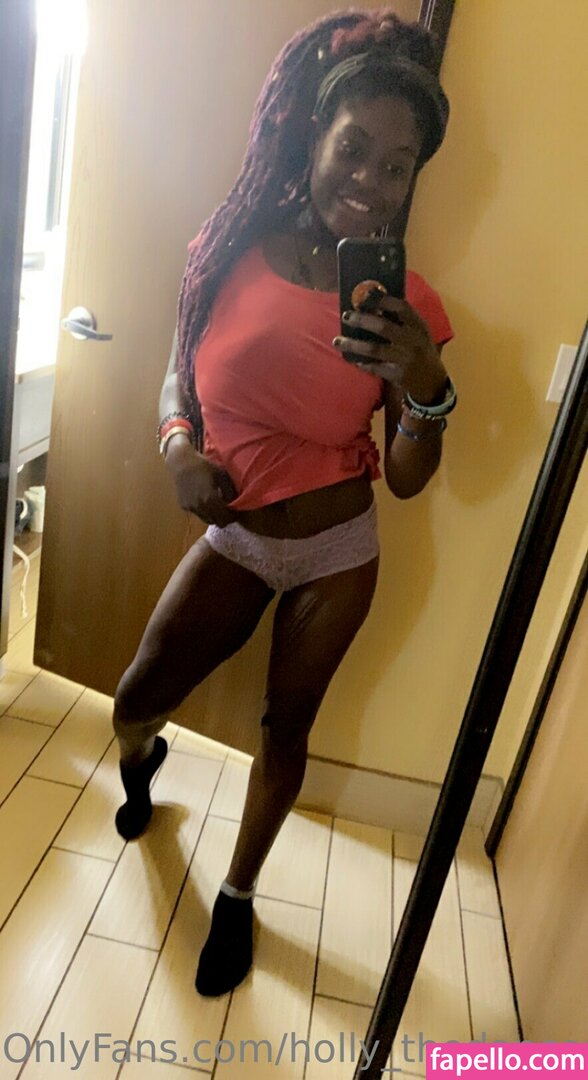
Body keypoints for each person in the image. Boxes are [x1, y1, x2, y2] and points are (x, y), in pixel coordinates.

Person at [112, 8, 456, 998]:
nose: (371, 180)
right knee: (136, 696)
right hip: (236, 537)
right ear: (314, 136)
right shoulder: (226, 249)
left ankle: (238, 895)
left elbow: (407, 476)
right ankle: (142, 763)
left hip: (339, 548)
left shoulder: (410, 304)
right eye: (355, 148)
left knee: (284, 728)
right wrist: (179, 449)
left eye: (397, 166)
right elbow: (175, 374)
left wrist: (425, 385)